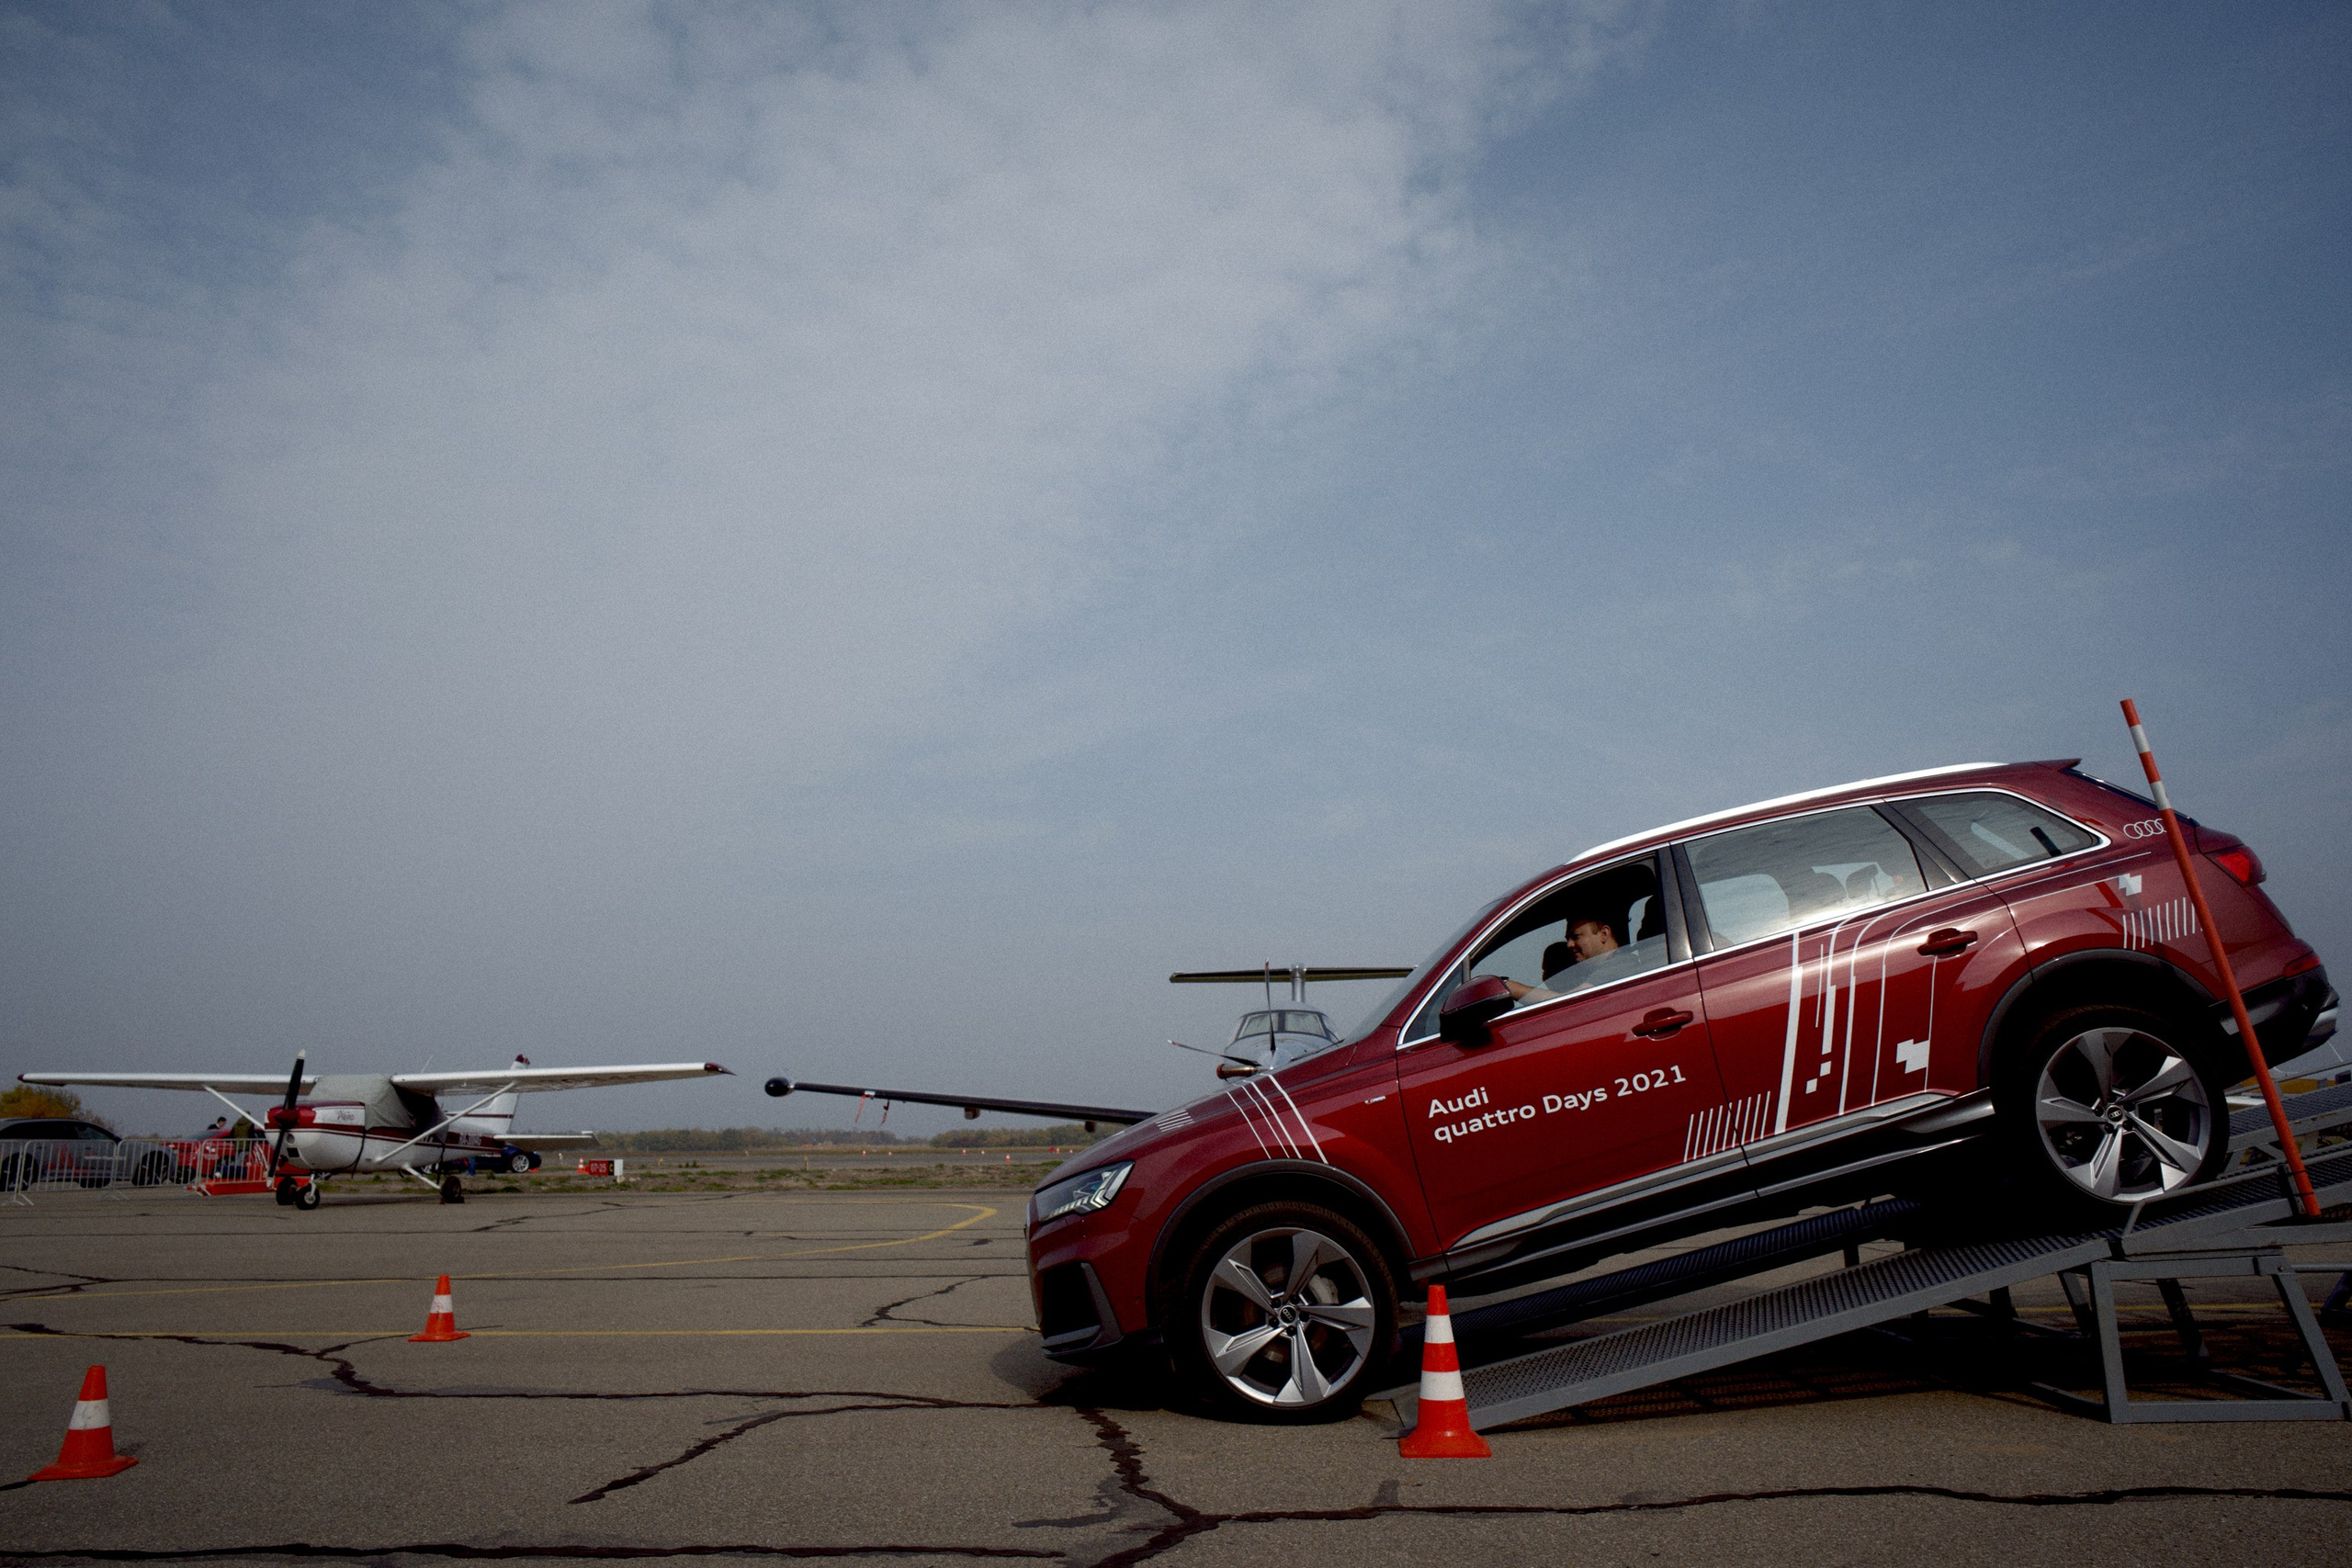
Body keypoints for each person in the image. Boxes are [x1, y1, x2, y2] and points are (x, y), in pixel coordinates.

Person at [1500, 917, 1623, 1003]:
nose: (1569, 944)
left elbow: (1569, 1002)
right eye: (1568, 939)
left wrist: (1509, 987)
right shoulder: (1609, 968)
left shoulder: (1619, 966)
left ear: (1604, 934)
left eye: (1576, 937)